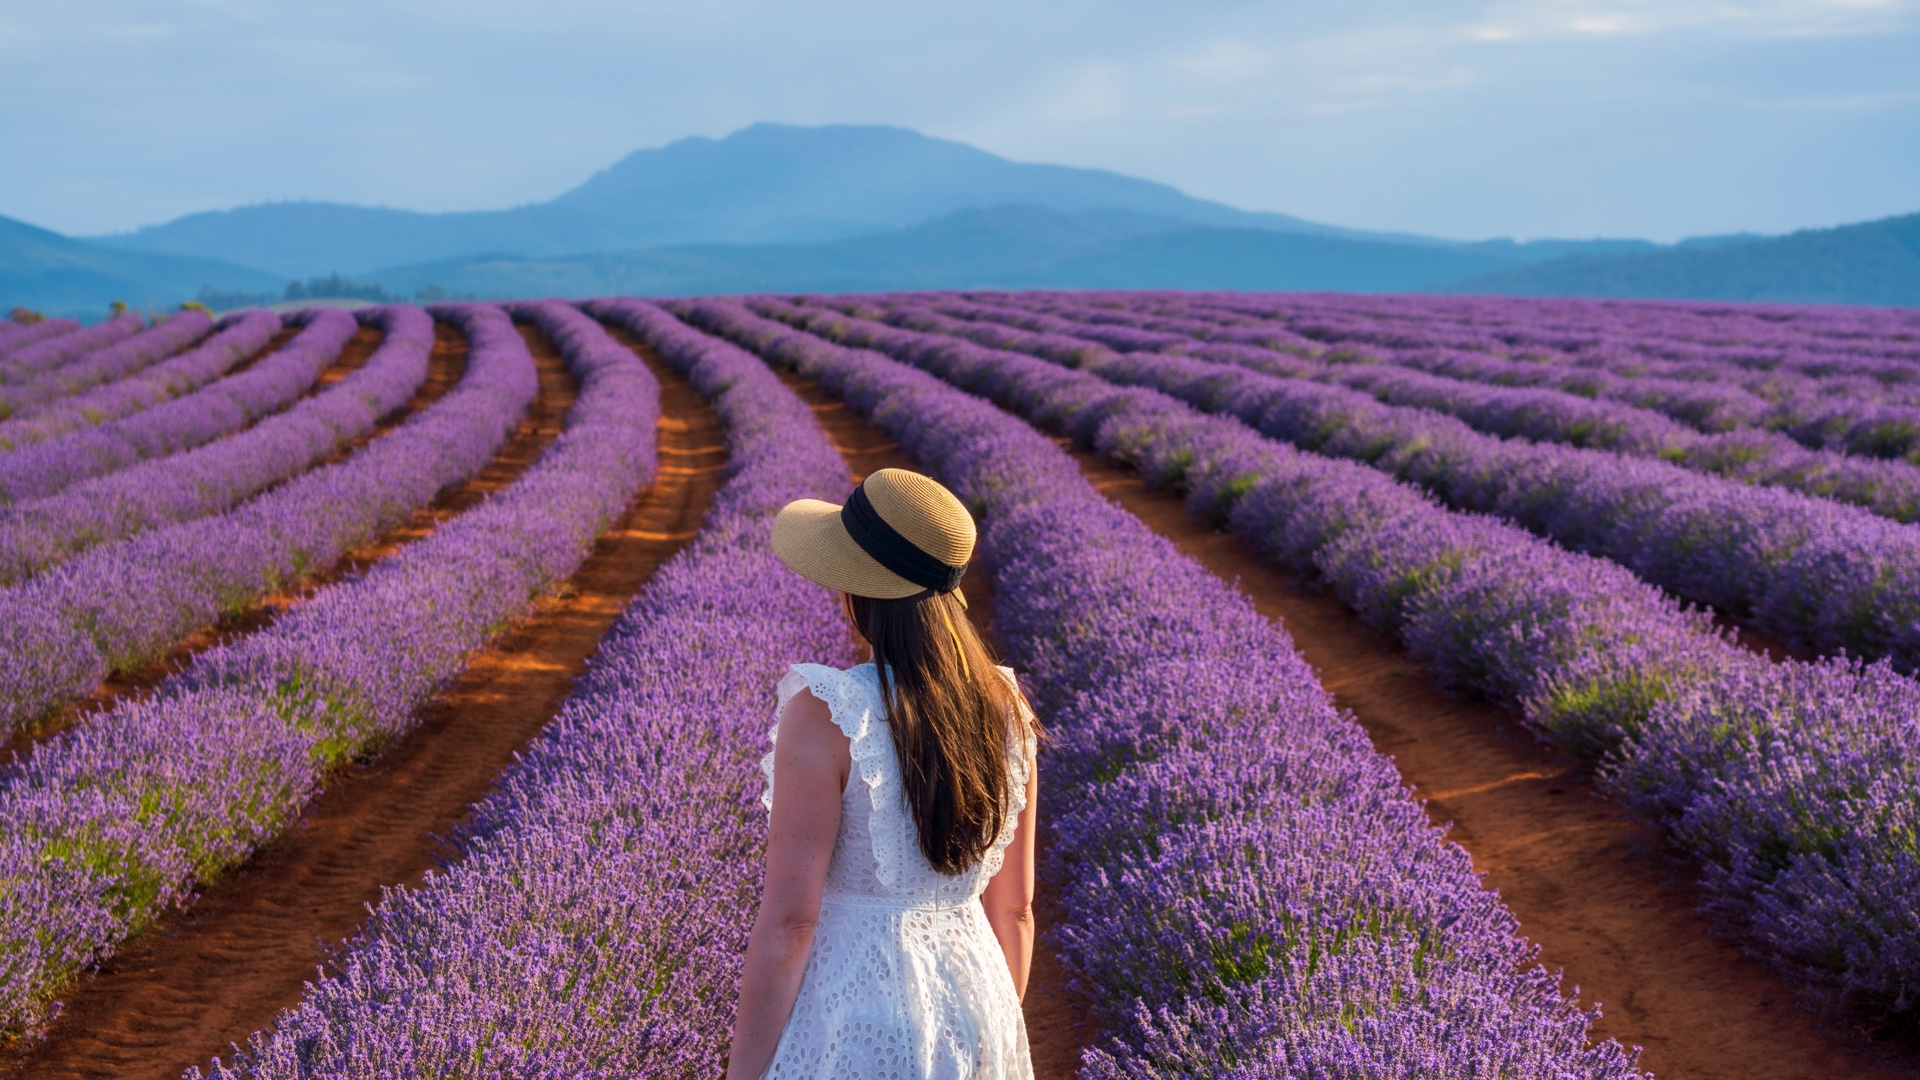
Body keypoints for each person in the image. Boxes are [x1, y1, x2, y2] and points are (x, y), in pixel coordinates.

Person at [726, 468, 1040, 1079]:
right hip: (980, 1001)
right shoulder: (1006, 708)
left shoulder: (829, 712)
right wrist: (993, 1029)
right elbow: (1017, 910)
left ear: (860, 589)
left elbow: (791, 924)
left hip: (855, 1013)